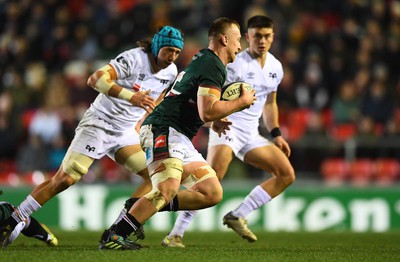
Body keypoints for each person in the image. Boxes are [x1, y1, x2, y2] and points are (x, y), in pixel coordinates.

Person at [0, 25, 184, 247]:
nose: (172, 56)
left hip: (124, 132)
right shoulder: (134, 59)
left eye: (176, 52)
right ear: (156, 46)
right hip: (99, 124)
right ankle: (14, 219)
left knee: (156, 178)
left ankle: (117, 230)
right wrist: (131, 97)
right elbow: (95, 79)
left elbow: (157, 96)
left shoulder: (171, 71)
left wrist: (138, 123)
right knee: (65, 179)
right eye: (168, 51)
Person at [98, 17, 256, 251]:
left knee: (211, 192)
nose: (240, 46)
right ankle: (115, 236)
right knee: (167, 189)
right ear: (224, 39)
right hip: (164, 130)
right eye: (237, 39)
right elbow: (207, 109)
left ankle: (137, 206)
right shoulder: (212, 65)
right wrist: (241, 102)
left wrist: (213, 122)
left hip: (178, 134)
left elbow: (191, 105)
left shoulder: (205, 61)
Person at [161, 15, 295, 247]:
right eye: (257, 36)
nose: (262, 41)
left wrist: (276, 133)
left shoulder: (275, 67)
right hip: (227, 127)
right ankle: (176, 233)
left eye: (267, 36)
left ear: (273, 37)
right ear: (247, 37)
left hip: (251, 133)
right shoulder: (234, 62)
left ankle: (237, 215)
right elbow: (210, 96)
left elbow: (270, 103)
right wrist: (215, 121)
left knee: (286, 175)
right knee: (212, 178)